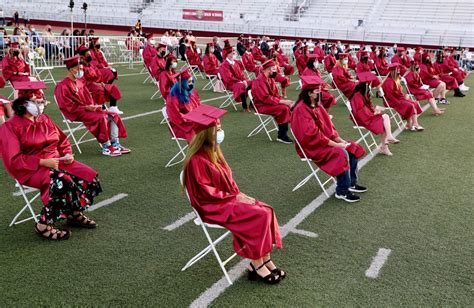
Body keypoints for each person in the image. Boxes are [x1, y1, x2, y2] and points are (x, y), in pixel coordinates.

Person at [182, 105, 284, 284]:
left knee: (266, 210)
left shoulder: (214, 153)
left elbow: (229, 182)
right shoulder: (196, 160)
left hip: (226, 199)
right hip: (211, 206)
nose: (221, 132)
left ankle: (264, 259)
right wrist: (235, 197)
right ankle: (256, 264)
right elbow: (206, 193)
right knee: (257, 215)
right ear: (206, 134)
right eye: (218, 129)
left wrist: (239, 194)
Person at [0, 92, 102, 240]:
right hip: (31, 169)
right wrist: (41, 162)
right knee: (62, 181)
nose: (41, 104)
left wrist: (68, 154)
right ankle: (43, 224)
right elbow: (13, 159)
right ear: (23, 104)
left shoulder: (44, 119)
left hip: (57, 161)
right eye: (36, 101)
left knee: (90, 177)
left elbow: (62, 140)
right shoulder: (9, 127)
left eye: (41, 101)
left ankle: (73, 213)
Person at [291, 75, 367, 203]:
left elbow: (328, 127)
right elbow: (312, 136)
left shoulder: (316, 104)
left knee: (352, 147)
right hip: (312, 146)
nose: (321, 92)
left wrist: (340, 140)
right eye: (317, 91)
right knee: (341, 153)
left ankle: (351, 183)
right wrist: (337, 146)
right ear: (309, 93)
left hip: (325, 140)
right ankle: (342, 191)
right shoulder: (300, 110)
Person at [55, 56, 130, 156]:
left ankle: (115, 144)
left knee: (113, 115)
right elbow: (67, 106)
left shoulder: (80, 82)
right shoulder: (62, 86)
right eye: (79, 69)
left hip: (87, 110)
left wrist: (93, 106)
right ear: (71, 69)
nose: (81, 71)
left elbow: (88, 99)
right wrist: (86, 108)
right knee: (101, 117)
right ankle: (106, 147)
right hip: (75, 112)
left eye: (81, 69)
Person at [350, 73, 400, 156]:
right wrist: (373, 113)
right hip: (362, 119)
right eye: (370, 83)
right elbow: (359, 112)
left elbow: (369, 106)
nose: (371, 85)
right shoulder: (357, 96)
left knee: (385, 119)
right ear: (366, 84)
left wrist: (374, 110)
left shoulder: (365, 93)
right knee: (384, 118)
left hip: (368, 116)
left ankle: (386, 144)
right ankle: (387, 140)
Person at [251, 59, 293, 144]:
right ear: (268, 69)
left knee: (291, 105)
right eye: (274, 69)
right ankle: (281, 135)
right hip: (261, 105)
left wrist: (284, 100)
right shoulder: (260, 81)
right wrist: (282, 102)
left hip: (270, 103)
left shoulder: (270, 78)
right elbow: (265, 98)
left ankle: (298, 130)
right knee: (284, 108)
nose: (276, 71)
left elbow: (275, 94)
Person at [77, 45, 124, 114]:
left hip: (97, 84)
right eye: (88, 55)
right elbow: (82, 82)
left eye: (90, 54)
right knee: (99, 88)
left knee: (112, 87)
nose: (90, 56)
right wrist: (96, 83)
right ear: (82, 57)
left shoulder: (91, 65)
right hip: (88, 86)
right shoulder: (80, 67)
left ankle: (113, 107)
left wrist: (101, 82)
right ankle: (101, 107)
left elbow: (98, 75)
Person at [382, 63, 424, 131]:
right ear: (393, 72)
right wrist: (401, 101)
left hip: (399, 99)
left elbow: (399, 92)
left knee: (414, 103)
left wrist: (404, 96)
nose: (399, 72)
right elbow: (390, 95)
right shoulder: (388, 82)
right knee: (410, 105)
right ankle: (415, 124)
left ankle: (409, 124)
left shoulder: (396, 79)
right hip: (392, 101)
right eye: (397, 70)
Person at [165, 68, 202, 142]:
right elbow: (177, 117)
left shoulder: (191, 93)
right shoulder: (173, 98)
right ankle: (196, 152)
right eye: (189, 82)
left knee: (210, 127)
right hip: (181, 126)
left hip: (194, 121)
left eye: (192, 81)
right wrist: (194, 122)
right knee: (198, 133)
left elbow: (199, 107)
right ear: (182, 82)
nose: (191, 84)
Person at [218, 45, 253, 111]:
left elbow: (241, 74)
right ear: (228, 55)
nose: (234, 54)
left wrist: (244, 80)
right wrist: (240, 81)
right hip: (231, 84)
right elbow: (228, 78)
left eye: (234, 53)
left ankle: (251, 104)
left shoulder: (235, 63)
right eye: (233, 53)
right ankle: (244, 106)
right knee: (242, 86)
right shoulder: (224, 65)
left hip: (239, 81)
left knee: (253, 83)